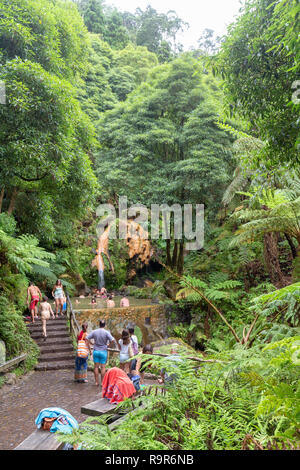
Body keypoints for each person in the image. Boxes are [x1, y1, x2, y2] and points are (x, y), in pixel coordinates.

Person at [86, 320, 117, 386]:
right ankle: (102, 382)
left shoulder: (94, 331)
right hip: (103, 351)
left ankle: (96, 382)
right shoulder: (106, 332)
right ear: (104, 325)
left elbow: (86, 338)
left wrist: (91, 343)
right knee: (103, 367)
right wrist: (108, 345)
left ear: (99, 324)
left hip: (96, 351)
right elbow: (113, 340)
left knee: (96, 367)